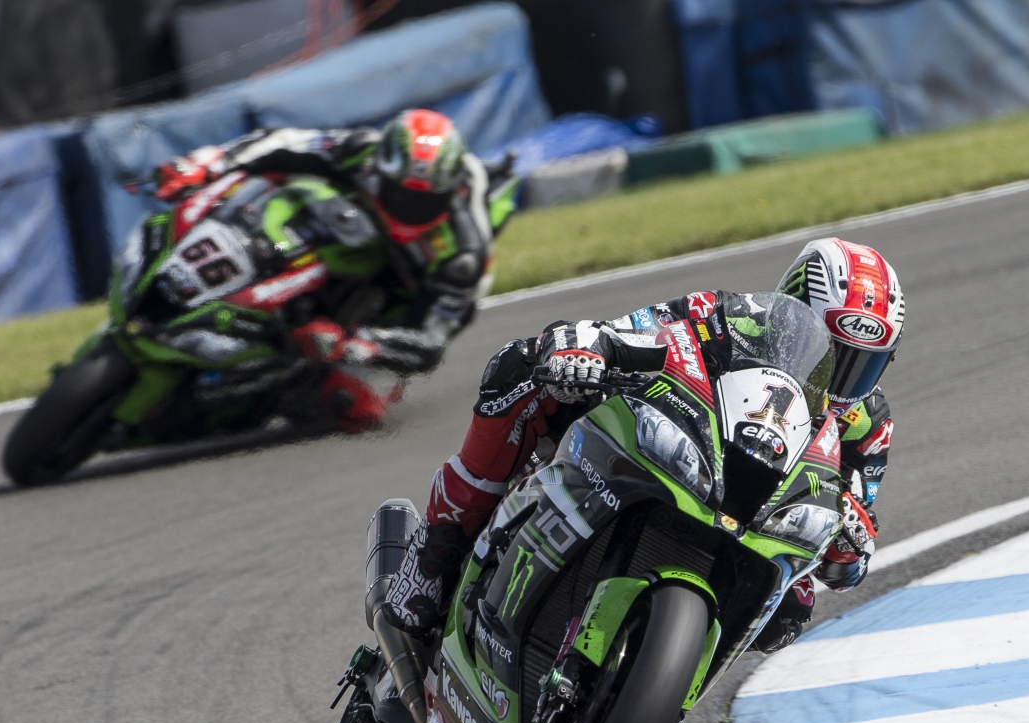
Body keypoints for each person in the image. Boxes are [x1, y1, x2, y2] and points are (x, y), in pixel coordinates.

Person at [381, 237, 904, 653]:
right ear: (793, 309)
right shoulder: (732, 316)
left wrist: (853, 540)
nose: (840, 376)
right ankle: (434, 552)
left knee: (790, 612)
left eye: (863, 364)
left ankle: (658, 683)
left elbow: (851, 536)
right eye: (831, 351)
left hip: (760, 517)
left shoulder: (867, 424)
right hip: (681, 453)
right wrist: (588, 343)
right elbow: (641, 329)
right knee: (520, 368)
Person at [152, 109, 499, 430]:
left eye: (424, 201)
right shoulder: (363, 150)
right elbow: (281, 142)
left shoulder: (461, 256)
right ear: (380, 169)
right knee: (289, 181)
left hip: (417, 286)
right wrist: (206, 164)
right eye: (400, 193)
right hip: (359, 222)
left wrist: (355, 342)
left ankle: (265, 397)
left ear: (449, 192)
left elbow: (430, 344)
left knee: (351, 404)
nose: (409, 207)